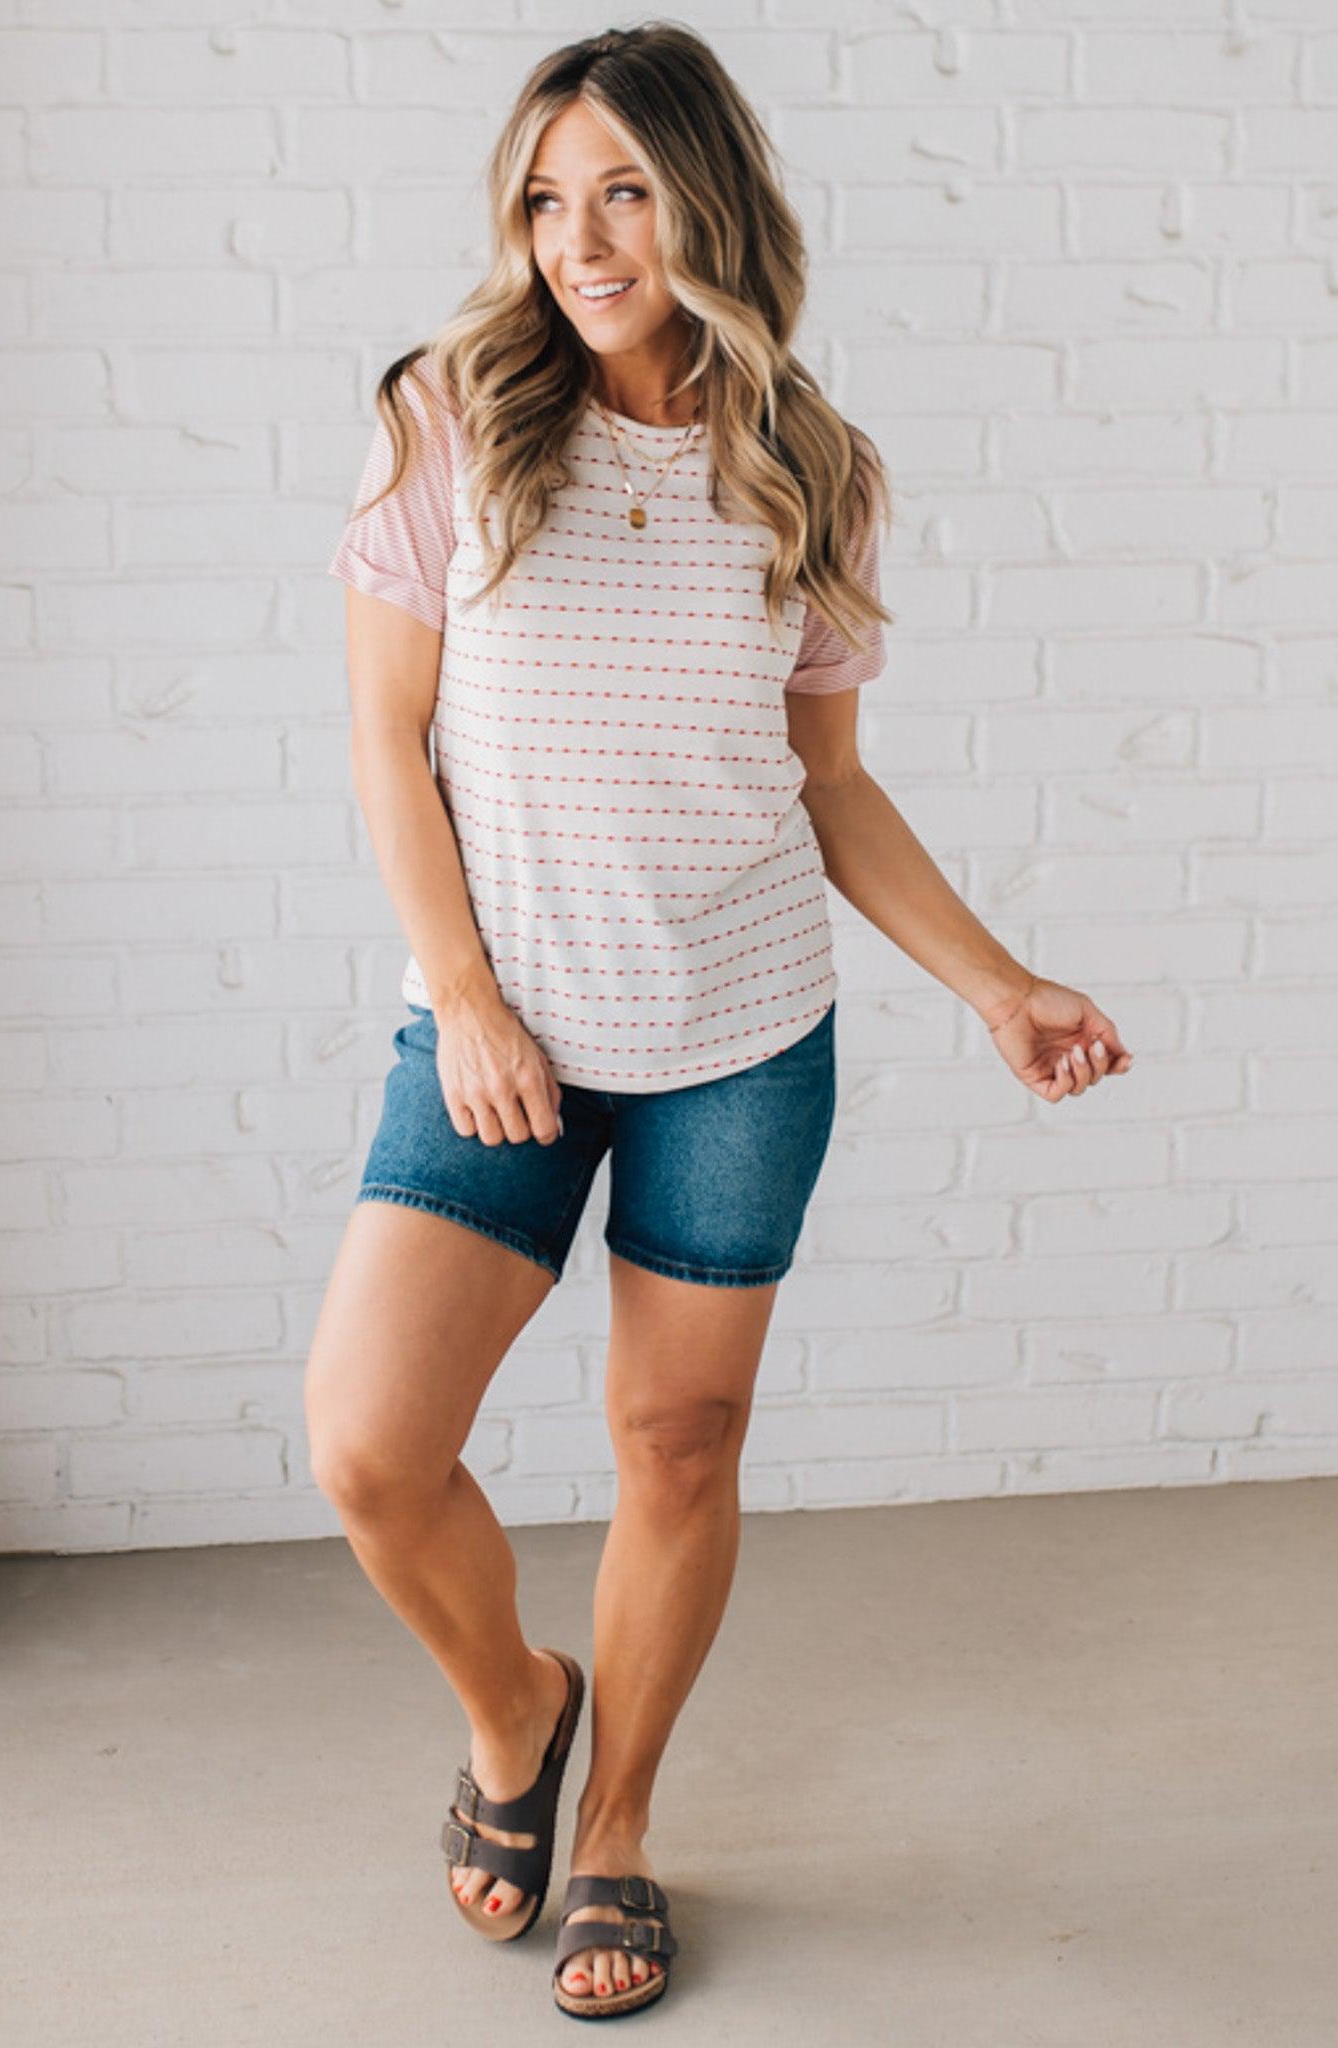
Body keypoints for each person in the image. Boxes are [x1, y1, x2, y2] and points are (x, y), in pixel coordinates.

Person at [305, 21, 1135, 2024]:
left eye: (621, 189)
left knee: (674, 1442)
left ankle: (616, 1827)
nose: (579, 238)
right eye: (543, 195)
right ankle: (519, 1710)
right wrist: (477, 1000)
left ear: (707, 200)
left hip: (741, 1032)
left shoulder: (812, 465)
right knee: (366, 1449)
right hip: (497, 1034)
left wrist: (997, 980)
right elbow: (383, 745)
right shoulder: (449, 416)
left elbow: (826, 782)